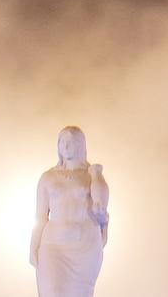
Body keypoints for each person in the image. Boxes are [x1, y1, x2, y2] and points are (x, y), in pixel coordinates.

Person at [30, 126, 110, 297]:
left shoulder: (91, 175)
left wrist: (102, 218)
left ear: (81, 145)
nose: (66, 146)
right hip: (53, 247)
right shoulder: (47, 178)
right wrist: (33, 246)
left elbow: (101, 209)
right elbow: (40, 218)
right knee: (53, 291)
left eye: (71, 142)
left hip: (84, 248)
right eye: (62, 142)